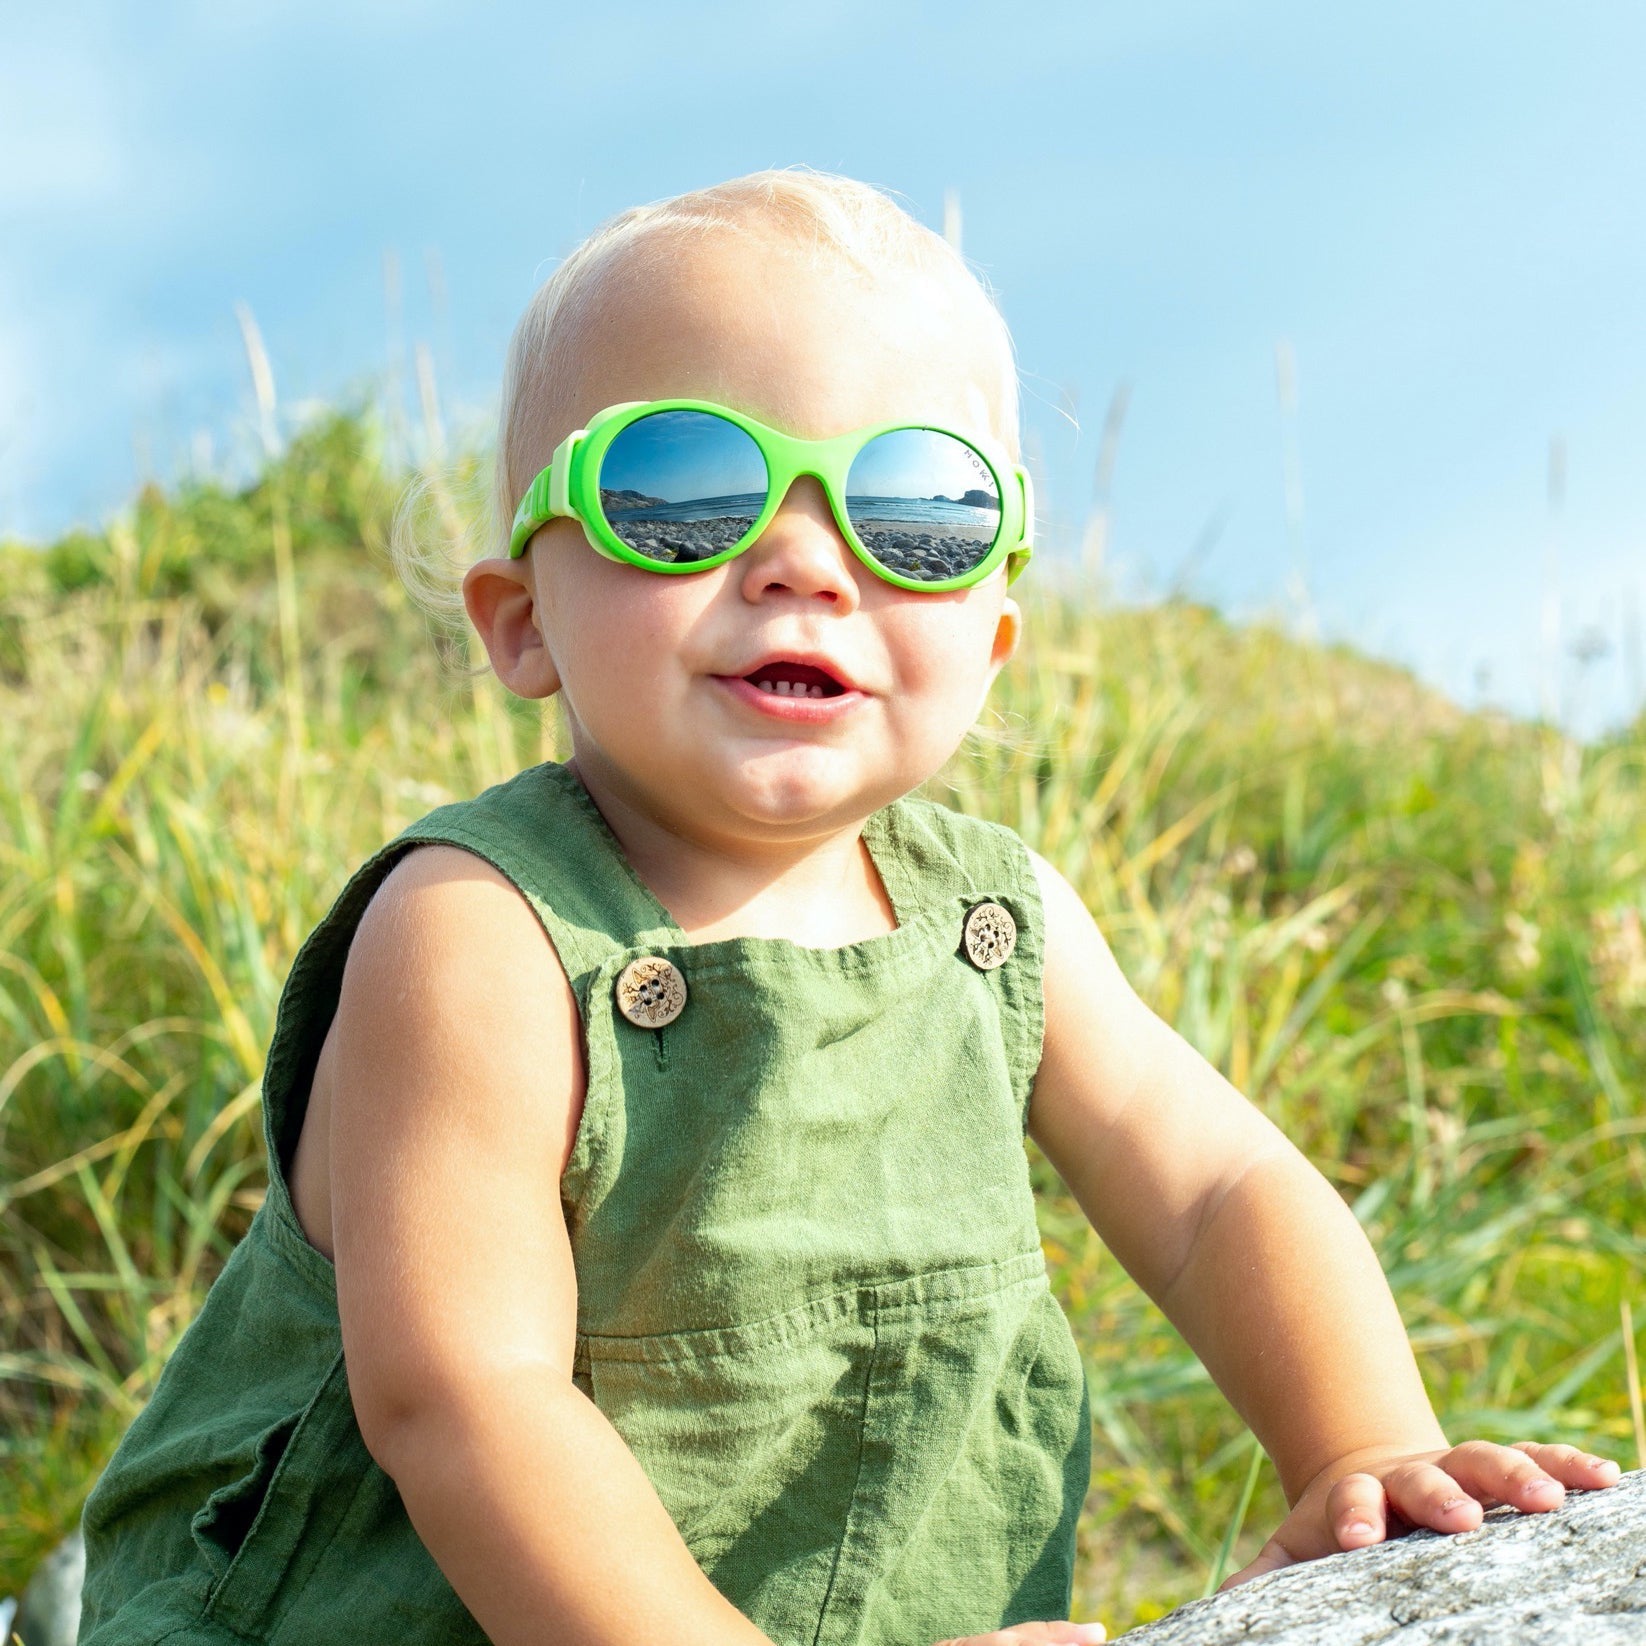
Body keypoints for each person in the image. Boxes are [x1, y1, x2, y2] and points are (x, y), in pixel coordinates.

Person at [76, 168, 1619, 1646]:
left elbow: (1217, 1192)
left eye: (918, 516)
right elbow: (467, 1400)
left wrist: (1361, 1446)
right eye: (678, 492)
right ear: (520, 618)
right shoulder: (480, 932)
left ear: (996, 630)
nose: (804, 561)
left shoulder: (993, 922)